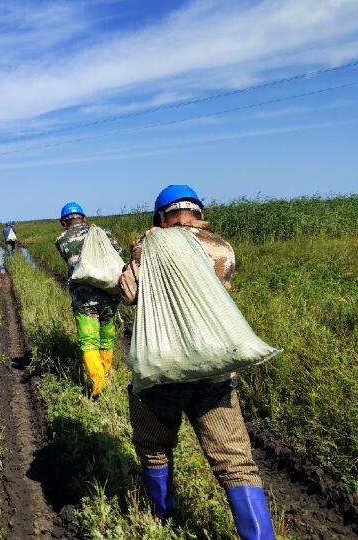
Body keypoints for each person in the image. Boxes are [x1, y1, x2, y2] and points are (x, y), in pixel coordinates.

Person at [118, 185, 274, 539]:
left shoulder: (151, 247)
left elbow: (128, 293)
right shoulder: (223, 247)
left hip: (164, 368)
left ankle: (163, 522)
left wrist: (140, 251)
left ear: (161, 216)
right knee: (236, 463)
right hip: (215, 368)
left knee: (155, 450)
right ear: (199, 213)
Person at [54, 202, 121, 398]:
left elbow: (72, 261)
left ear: (64, 223)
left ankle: (98, 386)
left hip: (84, 299)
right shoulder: (103, 232)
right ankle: (107, 377)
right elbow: (117, 252)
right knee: (107, 337)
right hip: (109, 294)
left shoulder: (61, 240)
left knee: (89, 341)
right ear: (84, 218)